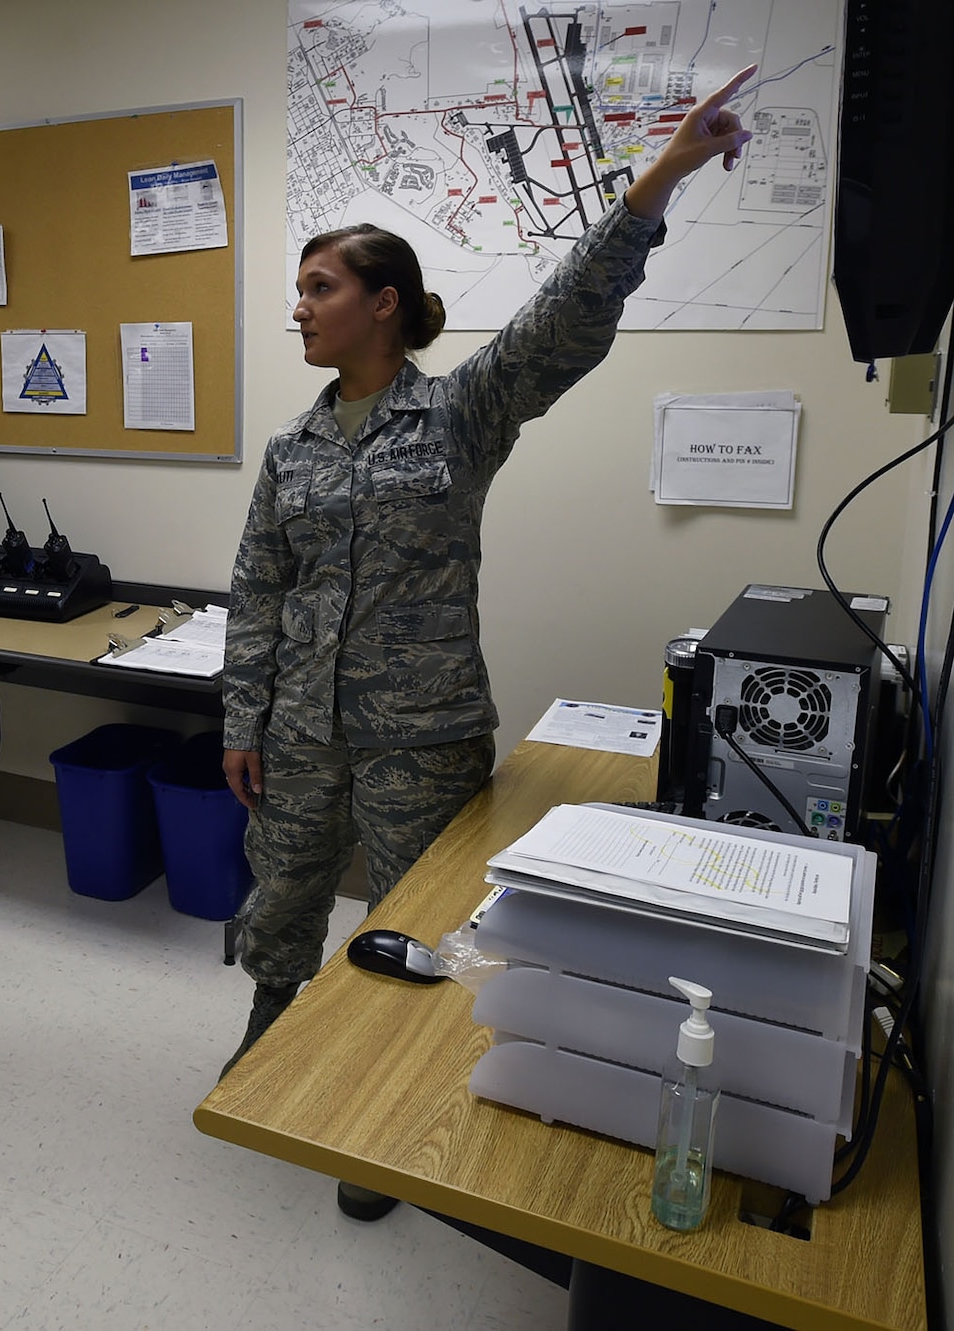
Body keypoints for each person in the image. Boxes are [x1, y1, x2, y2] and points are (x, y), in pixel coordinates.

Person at [219, 67, 757, 1219]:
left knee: (414, 929)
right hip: (300, 733)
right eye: (297, 288)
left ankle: (376, 1115)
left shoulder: (461, 411)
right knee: (280, 908)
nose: (298, 306)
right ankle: (271, 1045)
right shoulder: (290, 449)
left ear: (383, 302)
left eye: (317, 287)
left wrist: (653, 182)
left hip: (421, 732)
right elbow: (258, 586)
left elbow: (562, 322)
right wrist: (240, 721)